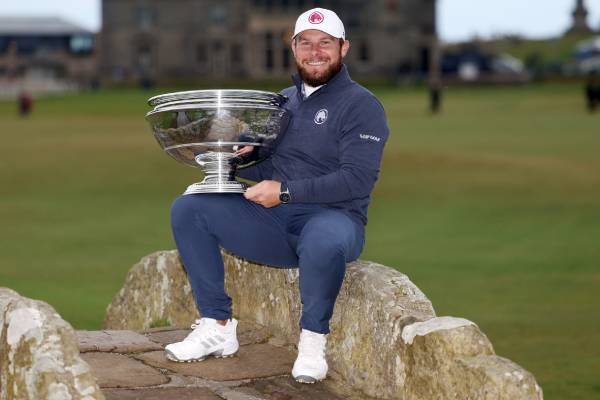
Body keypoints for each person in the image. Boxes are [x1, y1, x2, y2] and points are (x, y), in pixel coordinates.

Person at [166, 7, 389, 383]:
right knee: (189, 209)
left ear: (343, 48)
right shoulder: (283, 101)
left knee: (324, 238)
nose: (315, 52)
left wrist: (284, 192)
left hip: (333, 220)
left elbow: (357, 180)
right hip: (273, 224)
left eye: (325, 44)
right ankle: (217, 325)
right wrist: (236, 161)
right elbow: (269, 165)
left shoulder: (362, 105)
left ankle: (313, 341)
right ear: (294, 47)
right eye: (306, 43)